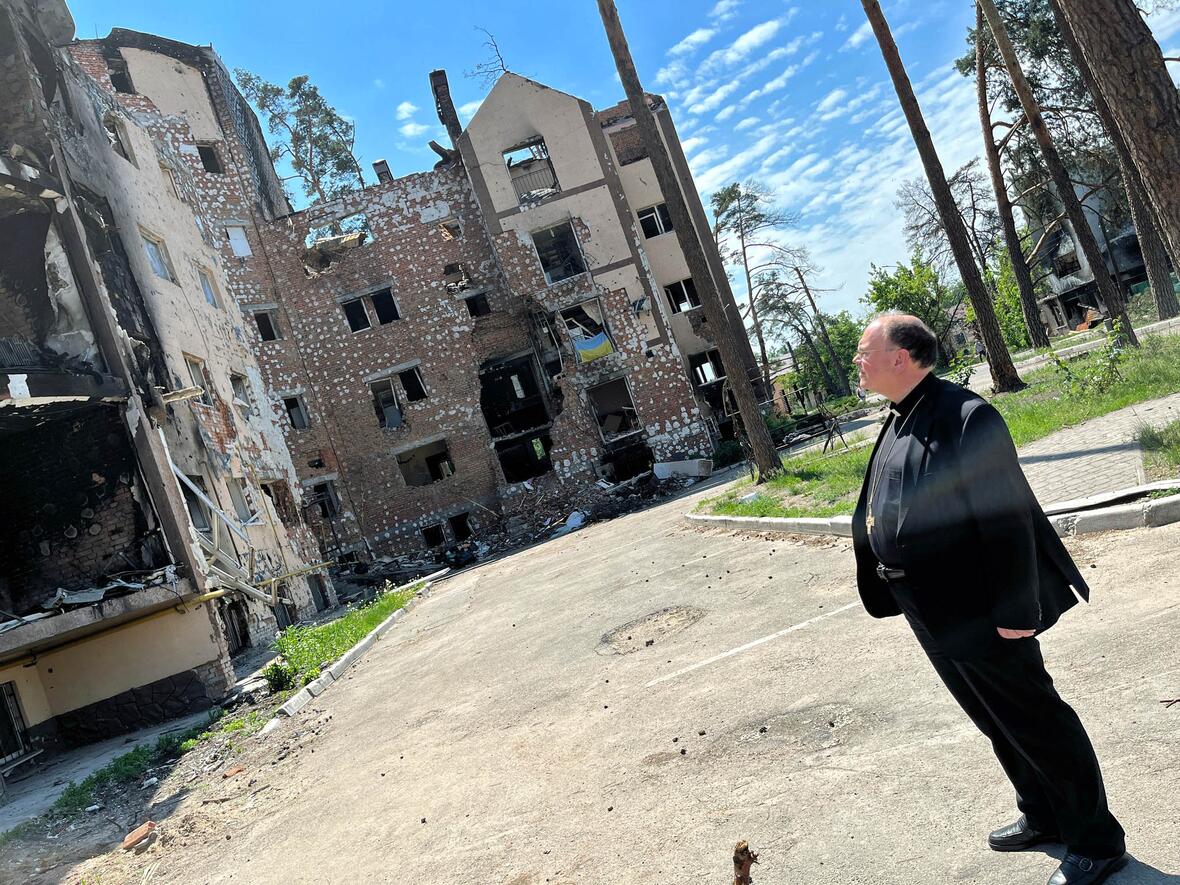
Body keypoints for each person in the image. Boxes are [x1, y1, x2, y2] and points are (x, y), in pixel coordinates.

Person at [850, 313, 1126, 885]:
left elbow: (1007, 523)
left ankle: (1097, 841)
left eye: (863, 350)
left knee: (1038, 722)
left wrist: (1015, 615)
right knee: (994, 720)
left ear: (900, 356)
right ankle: (1043, 815)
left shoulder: (966, 417)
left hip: (982, 611)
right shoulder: (902, 417)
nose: (858, 360)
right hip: (931, 611)